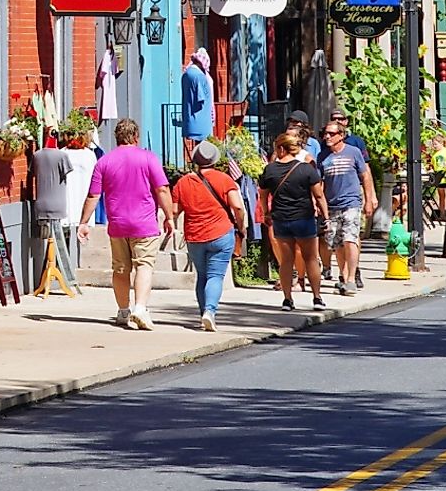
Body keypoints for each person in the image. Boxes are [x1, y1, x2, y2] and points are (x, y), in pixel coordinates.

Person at [83, 116, 177, 331]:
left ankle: (123, 311)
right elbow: (162, 189)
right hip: (144, 223)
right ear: (136, 136)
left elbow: (93, 195)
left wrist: (84, 221)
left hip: (117, 224)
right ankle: (140, 308)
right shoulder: (148, 158)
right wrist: (169, 217)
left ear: (117, 138)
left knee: (120, 268)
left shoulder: (104, 162)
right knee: (144, 264)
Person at [171, 139, 249, 331]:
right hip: (221, 233)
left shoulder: (183, 182)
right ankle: (210, 311)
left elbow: (174, 211)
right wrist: (242, 226)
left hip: (195, 236)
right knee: (216, 276)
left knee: (202, 276)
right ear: (215, 159)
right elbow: (237, 206)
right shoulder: (224, 179)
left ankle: (202, 314)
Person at [258, 130, 329, 309]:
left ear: (281, 149)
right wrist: (325, 216)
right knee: (311, 258)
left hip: (281, 218)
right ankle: (317, 297)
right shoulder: (306, 169)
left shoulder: (270, 170)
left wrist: (266, 213)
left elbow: (263, 195)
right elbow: (319, 196)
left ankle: (288, 299)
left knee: (286, 260)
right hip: (304, 218)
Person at [30, 124, 97, 293]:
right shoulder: (63, 155)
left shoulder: (39, 155)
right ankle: (59, 273)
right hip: (58, 203)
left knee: (50, 238)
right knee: (56, 239)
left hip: (42, 202)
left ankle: (52, 271)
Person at [316, 115, 378, 295]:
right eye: (324, 134)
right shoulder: (322, 156)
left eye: (330, 133)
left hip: (351, 202)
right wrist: (318, 203)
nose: (326, 137)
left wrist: (368, 199)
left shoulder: (353, 152)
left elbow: (365, 175)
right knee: (337, 244)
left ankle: (351, 278)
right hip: (332, 205)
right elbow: (319, 182)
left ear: (341, 135)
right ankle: (343, 276)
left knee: (350, 238)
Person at [180, 48, 215, 151]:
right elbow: (202, 98)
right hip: (201, 120)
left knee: (197, 150)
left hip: (190, 119)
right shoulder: (199, 76)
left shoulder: (187, 74)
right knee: (203, 151)